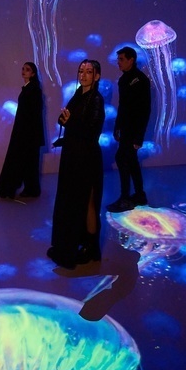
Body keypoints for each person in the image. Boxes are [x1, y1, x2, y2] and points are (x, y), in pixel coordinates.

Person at [48, 59, 105, 269]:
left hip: (86, 158)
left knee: (87, 203)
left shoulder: (96, 99)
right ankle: (77, 244)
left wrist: (70, 122)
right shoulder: (78, 94)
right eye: (81, 71)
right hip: (72, 156)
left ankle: (92, 249)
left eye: (89, 72)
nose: (83, 75)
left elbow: (91, 131)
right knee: (71, 201)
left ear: (97, 76)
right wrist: (64, 122)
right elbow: (67, 120)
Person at [0, 62, 46, 199]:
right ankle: (23, 189)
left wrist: (27, 133)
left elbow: (34, 113)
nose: (24, 71)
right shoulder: (29, 88)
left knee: (21, 161)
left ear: (33, 73)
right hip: (25, 132)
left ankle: (10, 189)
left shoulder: (34, 90)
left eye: (27, 69)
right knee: (28, 162)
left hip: (27, 133)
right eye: (23, 69)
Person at [107, 47, 152, 213]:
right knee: (131, 161)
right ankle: (139, 194)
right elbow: (122, 106)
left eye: (121, 59)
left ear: (131, 60)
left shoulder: (141, 80)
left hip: (134, 129)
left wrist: (139, 136)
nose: (118, 62)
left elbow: (145, 109)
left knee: (122, 158)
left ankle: (125, 198)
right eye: (118, 59)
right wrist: (117, 126)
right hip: (126, 128)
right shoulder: (123, 80)